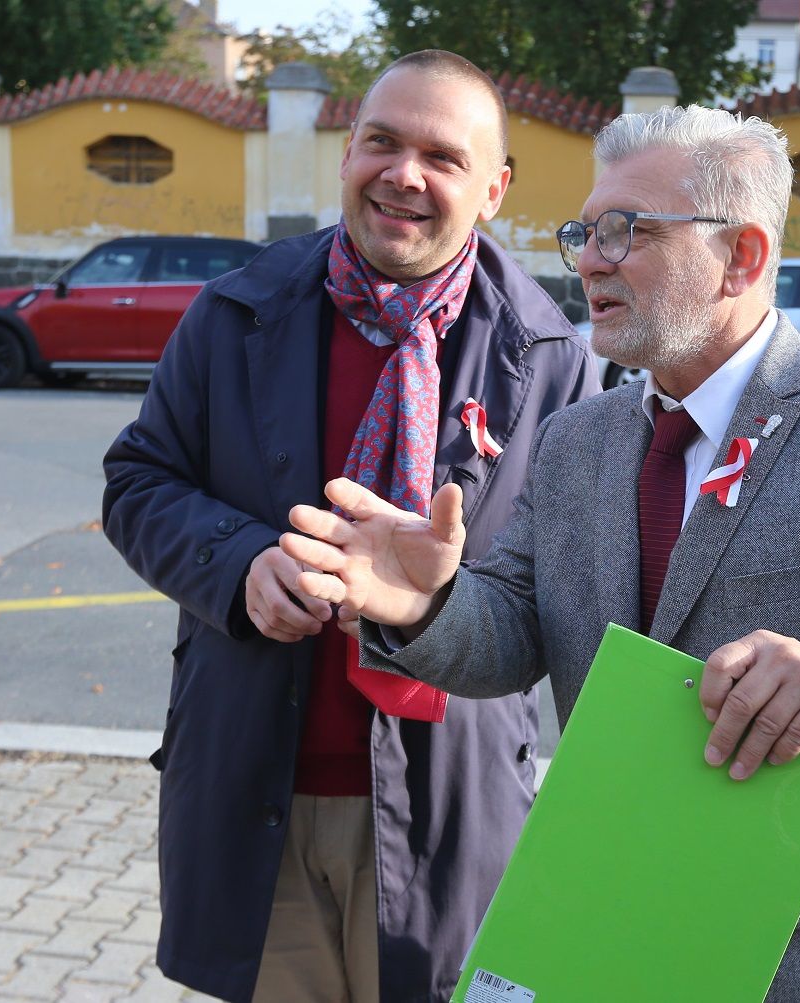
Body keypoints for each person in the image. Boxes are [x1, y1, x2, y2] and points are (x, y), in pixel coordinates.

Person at [281, 104, 800, 1001]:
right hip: (602, 919)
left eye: (627, 231)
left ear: (744, 257)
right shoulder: (577, 438)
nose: (589, 258)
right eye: (586, 231)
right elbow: (509, 638)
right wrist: (424, 602)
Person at [101, 50, 598, 1003]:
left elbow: (573, 594)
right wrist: (240, 563)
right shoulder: (235, 312)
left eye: (442, 157)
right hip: (257, 790)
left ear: (493, 190)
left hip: (451, 805)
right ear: (347, 155)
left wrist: (439, 607)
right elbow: (138, 480)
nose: (404, 174)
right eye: (382, 141)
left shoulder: (552, 363)